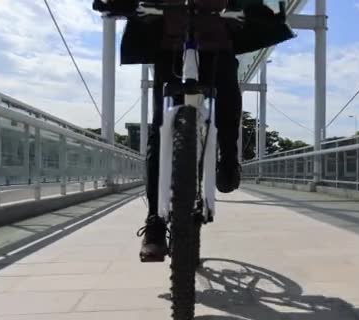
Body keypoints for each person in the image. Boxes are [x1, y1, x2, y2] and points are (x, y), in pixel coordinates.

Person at [92, 0, 294, 262]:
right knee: (160, 127)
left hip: (217, 45)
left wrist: (253, 9)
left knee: (228, 98)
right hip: (170, 47)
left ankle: (229, 160)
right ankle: (155, 224)